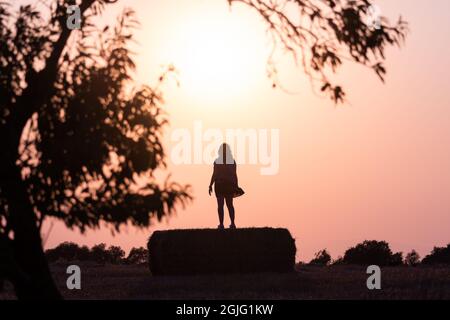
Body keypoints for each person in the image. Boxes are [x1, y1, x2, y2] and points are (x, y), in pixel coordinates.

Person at [209, 143, 238, 229]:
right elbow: (234, 175)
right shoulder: (231, 161)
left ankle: (222, 224)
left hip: (221, 185)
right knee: (229, 205)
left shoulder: (218, 161)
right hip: (227, 185)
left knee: (222, 205)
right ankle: (231, 224)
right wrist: (236, 185)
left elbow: (215, 174)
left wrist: (210, 184)